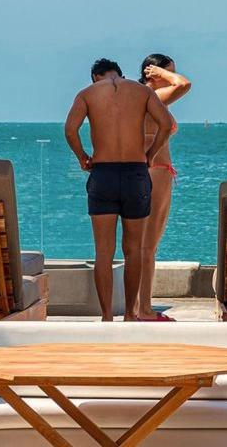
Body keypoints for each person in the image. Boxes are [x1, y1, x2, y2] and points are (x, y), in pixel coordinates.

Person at [64, 58, 173, 322]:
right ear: (120, 74)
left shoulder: (87, 93)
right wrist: (151, 154)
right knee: (134, 249)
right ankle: (129, 315)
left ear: (95, 77)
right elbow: (166, 125)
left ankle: (106, 317)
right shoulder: (143, 92)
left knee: (103, 251)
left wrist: (82, 157)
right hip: (136, 172)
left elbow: (70, 130)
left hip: (103, 173)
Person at [137, 54, 191, 322]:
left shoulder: (141, 99)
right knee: (148, 246)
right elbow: (184, 84)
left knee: (143, 245)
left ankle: (139, 306)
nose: (173, 75)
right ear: (153, 72)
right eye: (169, 71)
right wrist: (163, 73)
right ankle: (144, 309)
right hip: (156, 173)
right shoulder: (152, 98)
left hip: (152, 172)